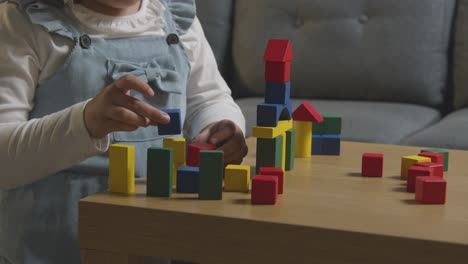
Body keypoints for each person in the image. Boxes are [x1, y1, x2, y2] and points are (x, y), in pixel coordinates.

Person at [0, 0, 247, 263]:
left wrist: (220, 125)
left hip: (155, 235)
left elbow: (208, 98)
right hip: (52, 243)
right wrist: (85, 123)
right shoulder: (24, 21)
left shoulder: (175, 17)